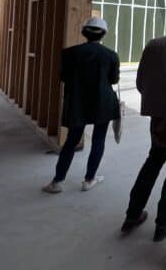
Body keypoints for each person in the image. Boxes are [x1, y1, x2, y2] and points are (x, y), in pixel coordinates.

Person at [121, 5, 166, 242]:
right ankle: (163, 224)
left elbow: (140, 83)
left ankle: (132, 214)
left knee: (153, 161)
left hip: (158, 119)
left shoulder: (153, 45)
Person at [42, 17, 120, 193]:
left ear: (84, 32)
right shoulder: (111, 55)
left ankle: (57, 182)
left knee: (71, 141)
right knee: (98, 140)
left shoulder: (69, 53)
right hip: (103, 103)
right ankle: (89, 179)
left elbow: (63, 77)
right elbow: (114, 80)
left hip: (77, 102)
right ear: (104, 34)